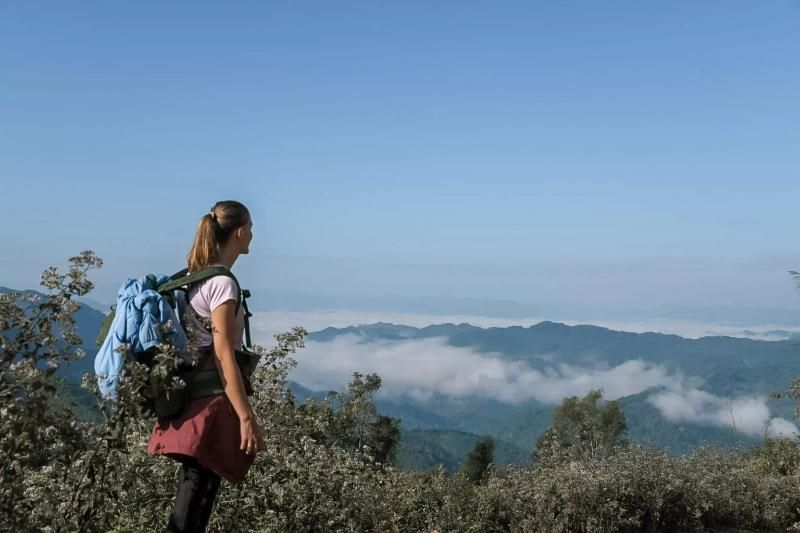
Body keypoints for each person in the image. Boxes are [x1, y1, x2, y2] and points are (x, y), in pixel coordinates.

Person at [148, 200, 263, 533]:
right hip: (209, 400)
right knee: (198, 490)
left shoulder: (194, 276)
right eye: (251, 227)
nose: (252, 234)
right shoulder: (223, 284)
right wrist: (245, 417)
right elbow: (224, 353)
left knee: (197, 485)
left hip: (189, 397)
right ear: (239, 232)